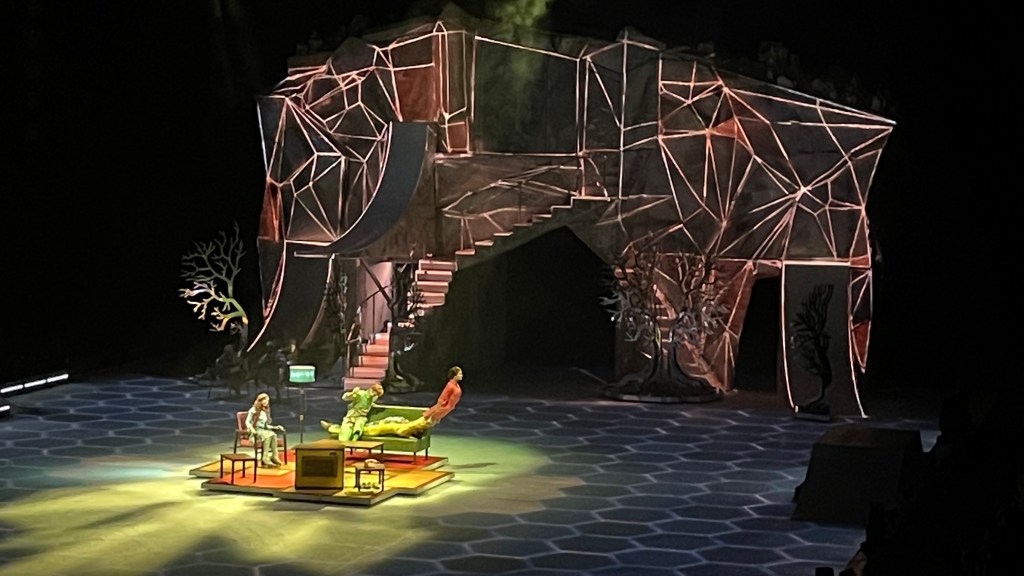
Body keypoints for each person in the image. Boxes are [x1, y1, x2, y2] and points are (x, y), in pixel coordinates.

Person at [245, 392, 285, 467]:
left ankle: (274, 456)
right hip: (255, 431)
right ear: (260, 400)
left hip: (263, 430)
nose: (266, 402)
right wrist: (251, 429)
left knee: (273, 435)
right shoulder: (253, 410)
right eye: (265, 400)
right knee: (268, 435)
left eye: (267, 400)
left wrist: (276, 427)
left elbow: (265, 425)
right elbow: (247, 422)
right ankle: (265, 458)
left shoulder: (264, 411)